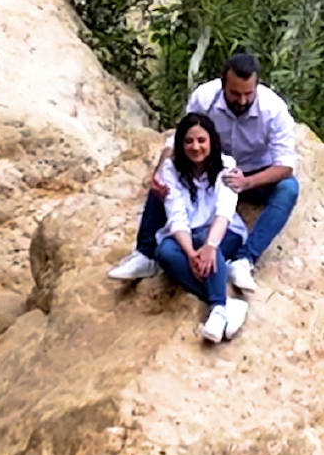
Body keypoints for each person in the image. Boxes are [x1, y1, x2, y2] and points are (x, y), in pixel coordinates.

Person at [108, 50, 299, 293]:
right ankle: (145, 253)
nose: (241, 101)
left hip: (254, 173)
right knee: (164, 177)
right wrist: (159, 171)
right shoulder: (205, 97)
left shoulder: (274, 110)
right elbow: (179, 140)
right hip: (209, 170)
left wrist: (247, 182)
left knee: (289, 188)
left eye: (248, 94)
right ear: (222, 84)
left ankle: (244, 259)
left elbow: (285, 165)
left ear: (257, 85)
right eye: (234, 94)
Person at [151, 112, 251, 344]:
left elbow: (224, 212)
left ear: (211, 142)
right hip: (188, 236)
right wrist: (191, 253)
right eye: (189, 141)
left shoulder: (227, 166)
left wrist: (209, 246)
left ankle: (217, 309)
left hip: (223, 232)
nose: (195, 147)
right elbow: (176, 217)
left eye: (201, 140)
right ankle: (225, 303)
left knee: (208, 244)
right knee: (164, 252)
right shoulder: (170, 169)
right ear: (180, 144)